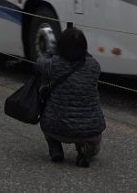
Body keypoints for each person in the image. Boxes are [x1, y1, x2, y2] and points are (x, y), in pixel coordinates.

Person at [36, 26, 105, 167]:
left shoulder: (54, 64)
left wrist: (51, 52)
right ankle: (85, 150)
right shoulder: (94, 66)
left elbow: (39, 62)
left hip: (56, 129)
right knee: (93, 140)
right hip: (90, 131)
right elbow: (88, 59)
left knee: (45, 115)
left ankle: (55, 150)